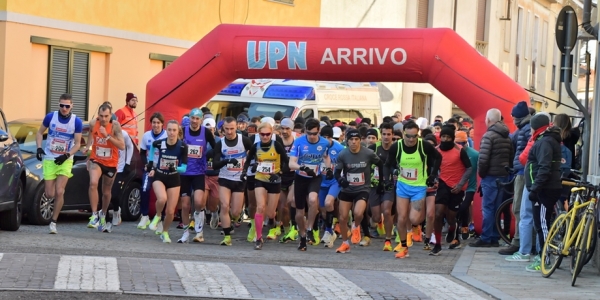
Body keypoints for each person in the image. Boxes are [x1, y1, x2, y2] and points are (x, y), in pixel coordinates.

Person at [383, 121, 440, 259]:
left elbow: (438, 157)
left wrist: (432, 175)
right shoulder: (397, 147)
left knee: (414, 219)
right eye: (408, 136)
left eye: (414, 136)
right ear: (404, 134)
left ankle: (419, 222)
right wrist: (390, 176)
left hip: (419, 187)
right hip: (402, 186)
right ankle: (404, 247)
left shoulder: (424, 145)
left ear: (418, 135)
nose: (411, 139)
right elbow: (388, 165)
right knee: (401, 219)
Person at [35, 93, 83, 234]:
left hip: (65, 160)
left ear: (71, 106)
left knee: (60, 191)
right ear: (59, 105)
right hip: (50, 157)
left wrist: (66, 155)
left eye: (67, 106)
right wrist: (38, 148)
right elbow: (39, 133)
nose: (64, 108)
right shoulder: (51, 117)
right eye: (62, 105)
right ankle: (55, 196)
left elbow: (78, 144)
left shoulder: (76, 122)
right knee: (50, 194)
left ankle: (54, 221)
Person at [334, 129, 384, 253]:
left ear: (360, 141)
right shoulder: (343, 154)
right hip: (347, 188)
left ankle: (356, 226)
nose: (354, 142)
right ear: (347, 141)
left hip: (363, 189)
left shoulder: (368, 153)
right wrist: (340, 180)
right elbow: (336, 172)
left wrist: (381, 181)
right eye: (351, 140)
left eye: (356, 139)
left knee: (358, 213)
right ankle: (345, 243)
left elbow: (380, 164)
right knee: (343, 217)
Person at [524, 113, 562, 272]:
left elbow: (544, 168)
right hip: (544, 188)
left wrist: (535, 189)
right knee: (541, 224)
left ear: (536, 127)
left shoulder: (545, 142)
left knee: (542, 225)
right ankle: (543, 256)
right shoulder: (545, 140)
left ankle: (545, 259)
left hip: (544, 190)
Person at [470, 108, 513, 247]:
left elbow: (483, 160)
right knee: (497, 208)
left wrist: (482, 174)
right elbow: (511, 157)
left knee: (488, 208)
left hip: (490, 177)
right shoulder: (507, 135)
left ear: (488, 120)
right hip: (503, 177)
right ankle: (495, 237)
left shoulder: (488, 136)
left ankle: (486, 237)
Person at [288, 118, 333, 251]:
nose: (312, 136)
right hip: (301, 177)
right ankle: (302, 236)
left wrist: (329, 169)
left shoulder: (324, 143)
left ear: (319, 131)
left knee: (313, 200)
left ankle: (309, 228)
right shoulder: (299, 142)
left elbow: (325, 156)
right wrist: (302, 168)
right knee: (299, 211)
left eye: (314, 133)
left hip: (315, 177)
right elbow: (291, 163)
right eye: (309, 133)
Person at [243, 122, 288, 250]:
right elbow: (247, 161)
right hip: (260, 179)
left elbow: (286, 162)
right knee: (260, 207)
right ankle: (258, 238)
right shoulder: (256, 146)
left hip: (274, 181)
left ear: (272, 133)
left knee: (270, 213)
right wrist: (244, 172)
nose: (265, 137)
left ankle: (272, 220)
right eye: (262, 134)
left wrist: (279, 173)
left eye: (268, 134)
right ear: (259, 134)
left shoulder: (277, 145)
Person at [212, 117, 253, 246]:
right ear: (223, 129)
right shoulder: (220, 143)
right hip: (225, 178)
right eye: (226, 129)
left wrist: (248, 167)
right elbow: (215, 165)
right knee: (224, 206)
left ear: (236, 128)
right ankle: (227, 236)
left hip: (239, 179)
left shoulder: (244, 141)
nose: (229, 132)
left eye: (232, 129)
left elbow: (254, 155)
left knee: (235, 211)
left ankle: (234, 217)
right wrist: (227, 161)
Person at [177, 108, 216, 243]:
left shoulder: (205, 132)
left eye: (197, 118)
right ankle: (186, 233)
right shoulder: (183, 130)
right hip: (184, 173)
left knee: (199, 202)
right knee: (185, 204)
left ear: (201, 120)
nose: (194, 121)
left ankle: (199, 224)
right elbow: (175, 146)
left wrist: (208, 156)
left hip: (199, 172)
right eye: (192, 118)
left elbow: (215, 147)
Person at [431, 125, 472, 255]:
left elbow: (469, 168)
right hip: (443, 184)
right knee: (438, 214)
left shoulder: (460, 151)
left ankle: (452, 231)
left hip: (457, 187)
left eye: (448, 137)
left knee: (451, 216)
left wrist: (460, 185)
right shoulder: (436, 150)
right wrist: (434, 178)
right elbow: (433, 167)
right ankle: (437, 244)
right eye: (443, 136)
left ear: (453, 138)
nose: (445, 139)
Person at [146, 120, 188, 243]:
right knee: (162, 198)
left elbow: (184, 168)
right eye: (169, 130)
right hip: (160, 176)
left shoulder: (182, 146)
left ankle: (165, 232)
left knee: (170, 211)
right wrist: (150, 163)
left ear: (178, 131)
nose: (171, 133)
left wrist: (175, 168)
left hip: (174, 178)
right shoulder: (160, 143)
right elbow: (153, 147)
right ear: (166, 130)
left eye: (174, 130)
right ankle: (158, 215)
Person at [87, 104, 126, 231]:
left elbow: (122, 146)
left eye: (106, 116)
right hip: (96, 160)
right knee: (93, 183)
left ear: (111, 115)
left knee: (106, 192)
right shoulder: (93, 123)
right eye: (101, 116)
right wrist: (87, 148)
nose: (103, 119)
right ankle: (94, 215)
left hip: (110, 163)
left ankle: (103, 213)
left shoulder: (115, 126)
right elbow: (90, 136)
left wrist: (107, 136)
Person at [500, 101, 532, 256]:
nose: (512, 119)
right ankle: (522, 241)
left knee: (519, 208)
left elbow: (528, 151)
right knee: (522, 209)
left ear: (518, 117)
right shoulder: (525, 129)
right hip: (521, 170)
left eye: (513, 116)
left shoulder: (525, 130)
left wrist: (520, 163)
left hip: (522, 172)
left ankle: (518, 242)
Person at [367, 122, 396, 251]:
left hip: (389, 184)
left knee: (387, 210)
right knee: (376, 217)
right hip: (374, 185)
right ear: (380, 135)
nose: (386, 137)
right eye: (384, 134)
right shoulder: (374, 148)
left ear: (392, 135)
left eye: (388, 134)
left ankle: (388, 240)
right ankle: (379, 224)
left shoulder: (396, 148)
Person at [138, 113, 167, 230]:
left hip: (162, 168)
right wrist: (146, 164)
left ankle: (160, 218)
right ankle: (144, 216)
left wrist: (157, 168)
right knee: (144, 188)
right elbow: (142, 153)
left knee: (162, 196)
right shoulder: (146, 136)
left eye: (158, 123)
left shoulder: (166, 136)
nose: (155, 125)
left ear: (162, 124)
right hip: (150, 167)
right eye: (154, 122)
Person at [318, 126, 345, 248]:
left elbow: (345, 164)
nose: (325, 140)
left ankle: (329, 231)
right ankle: (330, 230)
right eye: (323, 137)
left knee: (329, 203)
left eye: (328, 137)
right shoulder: (316, 147)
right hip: (321, 181)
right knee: (323, 210)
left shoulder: (339, 148)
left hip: (334, 181)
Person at [104, 130, 134, 233]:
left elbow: (130, 147)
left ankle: (116, 210)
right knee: (104, 194)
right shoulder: (101, 132)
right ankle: (106, 221)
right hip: (106, 167)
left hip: (119, 168)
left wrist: (128, 163)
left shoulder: (123, 134)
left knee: (115, 194)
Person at [278, 117, 299, 243]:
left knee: (291, 201)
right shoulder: (277, 141)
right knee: (282, 207)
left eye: (287, 129)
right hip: (281, 176)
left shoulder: (297, 141)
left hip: (294, 176)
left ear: (292, 129)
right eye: (282, 128)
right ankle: (287, 230)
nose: (284, 131)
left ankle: (295, 228)